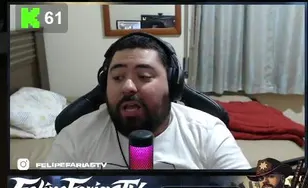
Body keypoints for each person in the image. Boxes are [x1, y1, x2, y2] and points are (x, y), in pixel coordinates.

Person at [46, 33, 250, 170]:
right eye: (117, 77)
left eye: (144, 76)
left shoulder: (208, 132)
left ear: (172, 84)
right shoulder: (75, 137)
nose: (128, 87)